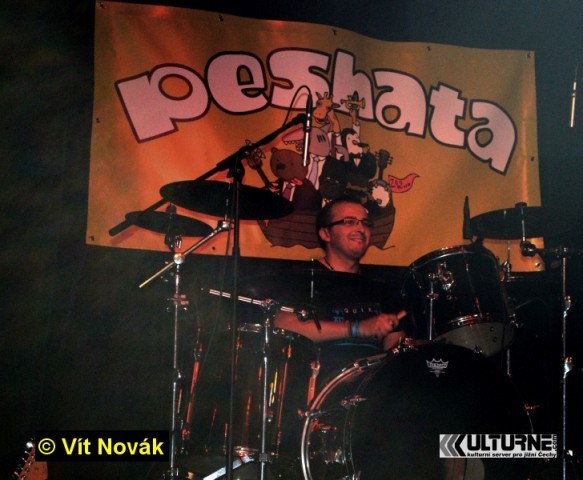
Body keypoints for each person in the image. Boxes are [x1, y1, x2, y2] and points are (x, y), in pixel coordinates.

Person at [274, 195, 407, 351]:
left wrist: (397, 346)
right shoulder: (303, 278)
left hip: (370, 367)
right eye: (349, 222)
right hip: (319, 366)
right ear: (326, 234)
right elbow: (283, 324)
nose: (361, 229)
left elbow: (395, 345)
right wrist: (357, 328)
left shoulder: (381, 286)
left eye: (365, 223)